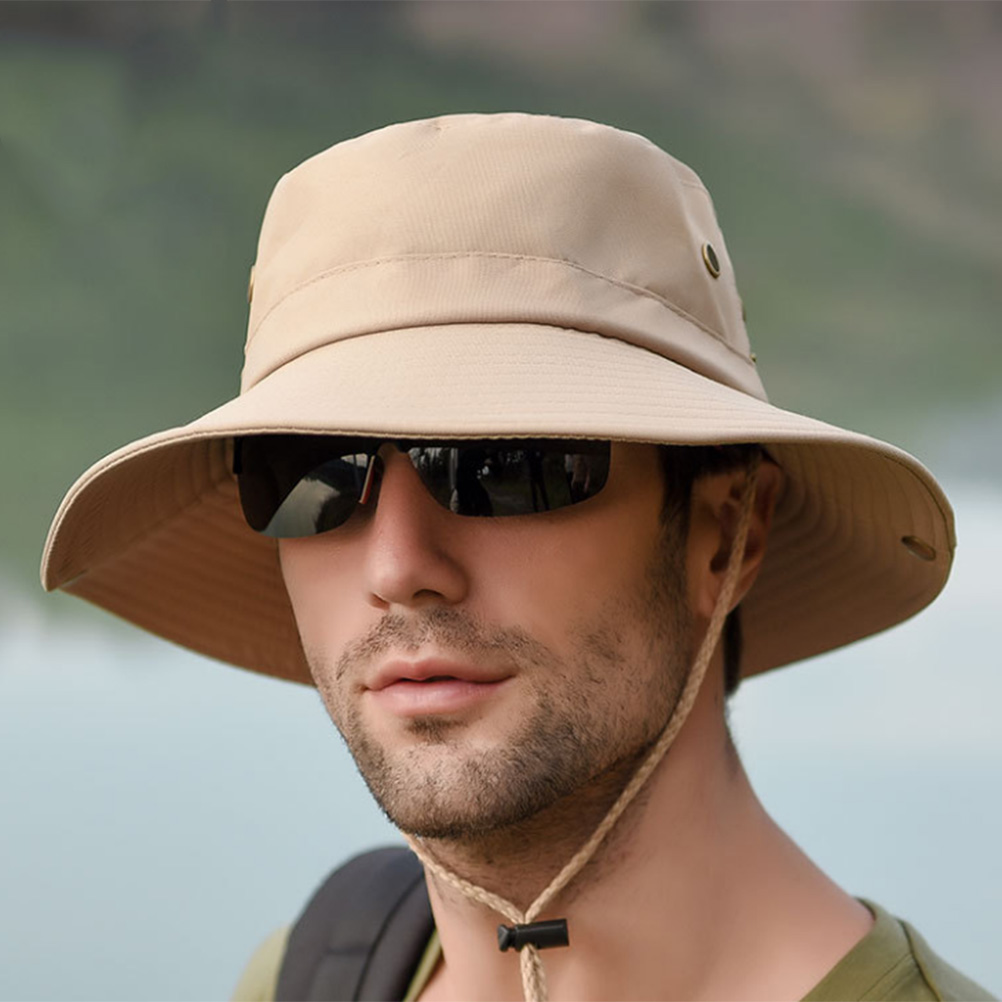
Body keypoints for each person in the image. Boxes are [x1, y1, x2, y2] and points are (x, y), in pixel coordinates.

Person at [42, 114, 994, 1002]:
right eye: (312, 472)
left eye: (507, 466)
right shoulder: (312, 973)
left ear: (726, 533)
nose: (398, 567)